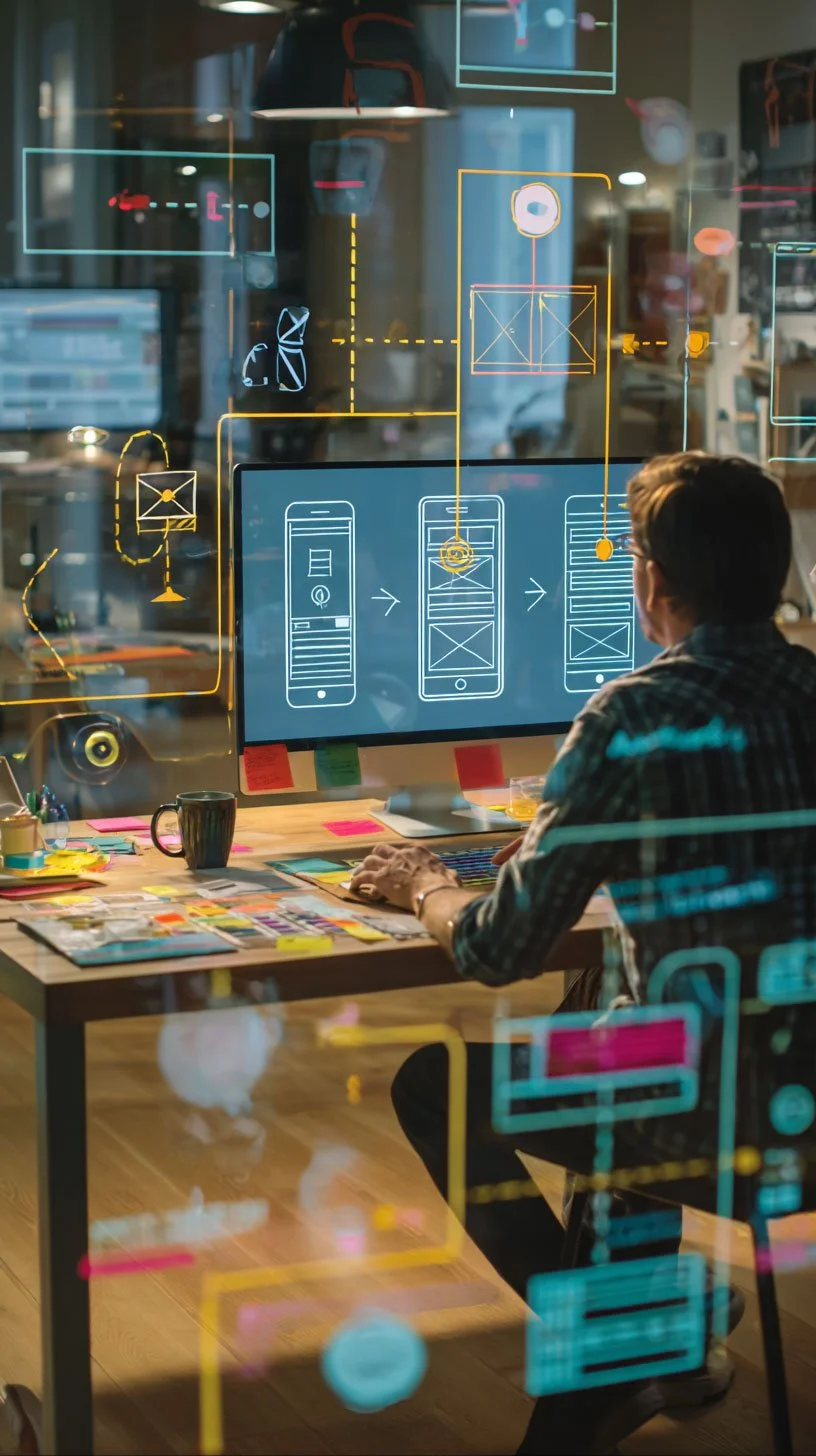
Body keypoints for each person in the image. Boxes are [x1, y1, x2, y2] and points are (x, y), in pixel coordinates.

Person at [350, 452, 816, 1454]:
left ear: (649, 577)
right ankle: (642, 1335)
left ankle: (629, 1343)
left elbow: (498, 943)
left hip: (689, 1108)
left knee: (444, 1082)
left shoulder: (632, 715)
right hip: (806, 1109)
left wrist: (425, 884)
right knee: (607, 1014)